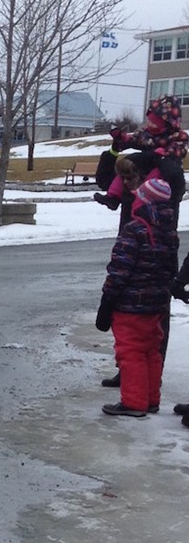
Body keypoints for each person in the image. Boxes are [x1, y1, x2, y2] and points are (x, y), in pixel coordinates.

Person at [94, 95, 187, 388]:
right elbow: (105, 178)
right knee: (128, 317)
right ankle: (129, 370)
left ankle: (148, 380)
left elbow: (176, 182)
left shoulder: (167, 171)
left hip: (157, 252)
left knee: (154, 322)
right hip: (130, 242)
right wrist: (115, 148)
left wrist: (155, 157)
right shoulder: (135, 162)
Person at [95, 175, 179, 417]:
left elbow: (119, 270)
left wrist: (107, 300)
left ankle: (134, 402)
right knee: (151, 350)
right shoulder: (170, 232)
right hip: (157, 304)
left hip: (130, 304)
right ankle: (151, 399)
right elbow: (170, 269)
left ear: (145, 202)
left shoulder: (134, 230)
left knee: (130, 351)